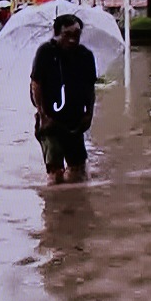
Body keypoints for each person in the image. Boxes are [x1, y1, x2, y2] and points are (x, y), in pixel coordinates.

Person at [30, 14, 97, 185]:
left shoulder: (85, 56)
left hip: (75, 120)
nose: (73, 40)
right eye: (68, 35)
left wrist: (89, 113)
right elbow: (36, 84)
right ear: (57, 34)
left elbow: (90, 87)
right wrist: (43, 115)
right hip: (50, 120)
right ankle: (55, 208)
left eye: (77, 35)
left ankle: (75, 205)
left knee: (78, 171)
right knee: (55, 172)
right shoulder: (45, 52)